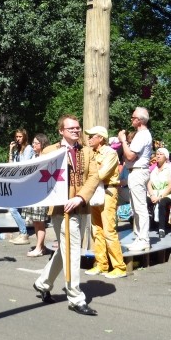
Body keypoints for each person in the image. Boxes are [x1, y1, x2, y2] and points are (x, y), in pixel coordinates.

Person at [33, 115, 99, 315]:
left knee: (66, 249)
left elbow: (94, 176)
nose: (76, 131)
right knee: (71, 249)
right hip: (61, 210)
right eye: (71, 128)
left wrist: (80, 197)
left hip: (80, 207)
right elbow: (39, 176)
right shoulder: (49, 151)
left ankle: (42, 283)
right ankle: (76, 297)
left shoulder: (87, 151)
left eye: (78, 128)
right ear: (61, 131)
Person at [84, 126, 127, 279]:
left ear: (100, 138)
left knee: (109, 230)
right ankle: (101, 264)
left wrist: (88, 178)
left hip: (108, 191)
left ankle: (119, 267)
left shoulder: (110, 153)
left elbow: (101, 174)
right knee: (96, 229)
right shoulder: (91, 153)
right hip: (95, 191)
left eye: (92, 136)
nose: (89, 138)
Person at [117, 107, 153, 252]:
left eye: (133, 117)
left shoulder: (142, 135)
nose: (131, 120)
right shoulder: (142, 135)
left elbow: (130, 156)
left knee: (140, 207)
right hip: (136, 172)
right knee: (135, 207)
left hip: (138, 172)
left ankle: (143, 239)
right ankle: (139, 237)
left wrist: (123, 141)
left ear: (139, 120)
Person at [22, 133, 52, 257]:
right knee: (35, 221)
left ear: (42, 144)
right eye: (33, 142)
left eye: (36, 143)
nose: (33, 145)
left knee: (40, 222)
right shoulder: (33, 157)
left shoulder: (46, 158)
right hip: (32, 193)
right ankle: (41, 246)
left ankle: (39, 248)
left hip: (41, 194)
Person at [8, 128, 34, 245]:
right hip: (17, 183)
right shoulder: (16, 150)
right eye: (16, 137)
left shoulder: (28, 149)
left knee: (13, 208)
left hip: (25, 183)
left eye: (20, 137)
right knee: (15, 209)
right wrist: (10, 151)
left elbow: (24, 166)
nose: (18, 139)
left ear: (24, 137)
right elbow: (10, 166)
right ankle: (22, 232)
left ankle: (24, 233)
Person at [147, 147, 171, 238]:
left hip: (167, 193)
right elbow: (148, 183)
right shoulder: (153, 168)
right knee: (144, 201)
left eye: (161, 154)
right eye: (157, 154)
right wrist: (152, 195)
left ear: (166, 157)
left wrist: (159, 196)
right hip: (153, 192)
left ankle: (161, 228)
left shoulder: (170, 168)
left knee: (162, 203)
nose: (158, 156)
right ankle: (146, 225)